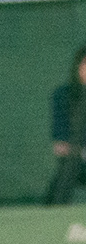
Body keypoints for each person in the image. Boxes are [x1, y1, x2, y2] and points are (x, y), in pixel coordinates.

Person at [46, 45, 86, 204]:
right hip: (75, 161)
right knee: (69, 168)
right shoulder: (63, 95)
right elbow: (60, 145)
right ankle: (51, 216)